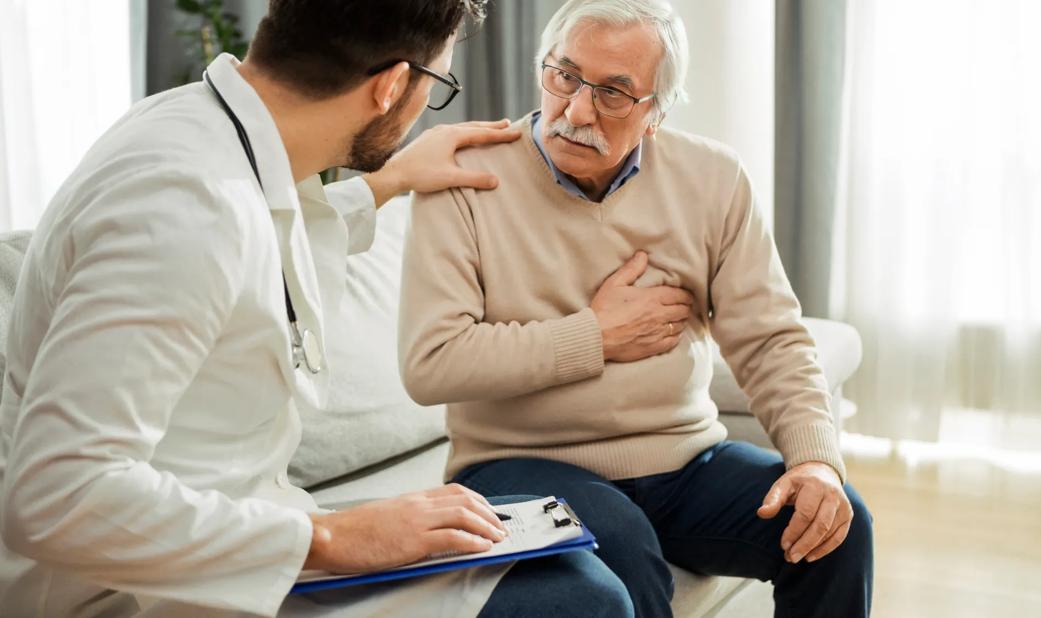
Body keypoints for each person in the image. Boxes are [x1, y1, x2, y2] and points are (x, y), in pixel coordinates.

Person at [0, 1, 632, 616]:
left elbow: (265, 235)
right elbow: (57, 498)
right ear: (390, 86)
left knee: (555, 527)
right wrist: (332, 539)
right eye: (434, 83)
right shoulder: (179, 207)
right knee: (582, 596)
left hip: (250, 531)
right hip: (143, 587)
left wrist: (391, 181)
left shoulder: (202, 131)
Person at [398, 0, 874, 616]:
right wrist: (594, 335)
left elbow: (770, 338)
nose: (575, 110)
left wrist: (815, 461)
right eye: (563, 75)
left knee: (838, 526)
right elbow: (431, 363)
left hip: (684, 461)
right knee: (624, 548)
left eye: (613, 94)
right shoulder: (463, 178)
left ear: (657, 112)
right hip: (515, 467)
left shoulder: (714, 177)